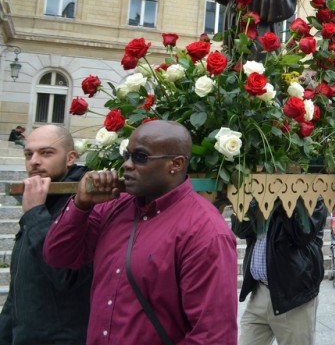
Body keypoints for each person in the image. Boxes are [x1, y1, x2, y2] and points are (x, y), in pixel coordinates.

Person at [43, 120, 238, 345]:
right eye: (127, 155)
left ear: (175, 163)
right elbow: (58, 256)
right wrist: (80, 206)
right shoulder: (113, 206)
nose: (126, 165)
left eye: (140, 157)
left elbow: (214, 336)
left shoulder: (205, 232)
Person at [0, 125, 91, 345]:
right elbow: (20, 286)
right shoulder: (42, 199)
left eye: (46, 152)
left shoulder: (82, 205)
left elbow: (65, 275)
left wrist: (34, 214)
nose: (34, 161)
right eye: (28, 154)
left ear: (70, 158)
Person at [232, 194, 327, 345]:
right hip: (259, 293)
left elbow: (302, 235)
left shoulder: (314, 197)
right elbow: (240, 230)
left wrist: (283, 196)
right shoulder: (258, 195)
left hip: (294, 297)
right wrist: (248, 203)